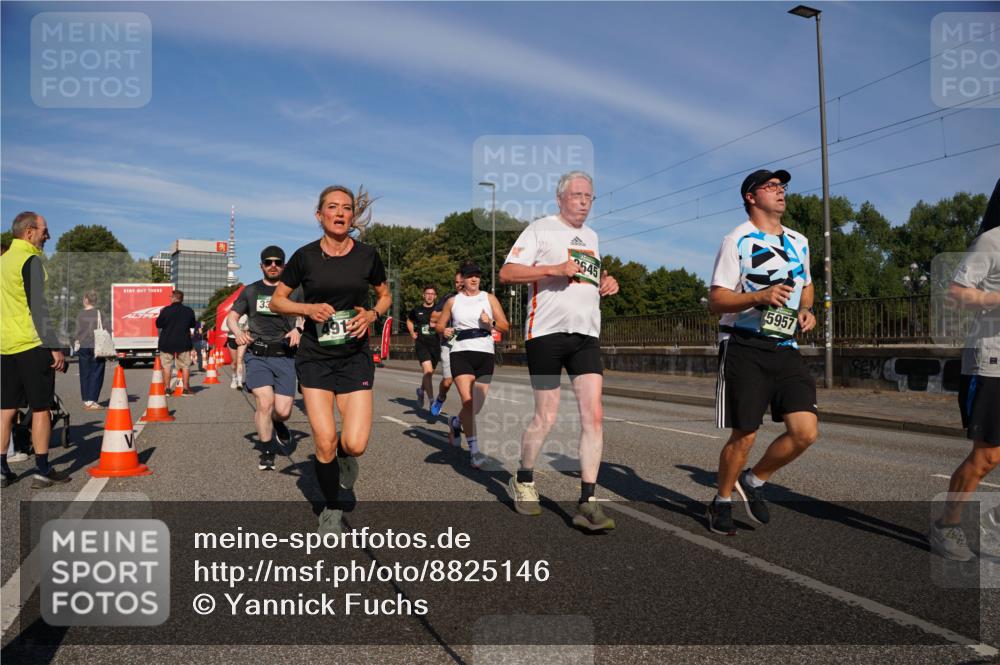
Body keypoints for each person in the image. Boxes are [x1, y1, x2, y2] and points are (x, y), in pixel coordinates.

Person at [499, 171, 620, 532]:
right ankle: (523, 479)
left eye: (589, 197)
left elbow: (586, 280)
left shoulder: (592, 237)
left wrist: (605, 282)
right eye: (578, 195)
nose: (584, 201)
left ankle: (588, 500)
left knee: (593, 416)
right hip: (546, 335)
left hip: (586, 335)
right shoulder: (541, 229)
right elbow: (507, 273)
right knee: (546, 417)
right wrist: (553, 269)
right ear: (560, 198)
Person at [269, 185, 391, 535]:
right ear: (319, 215)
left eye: (347, 208)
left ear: (353, 216)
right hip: (315, 357)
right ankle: (331, 509)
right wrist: (306, 308)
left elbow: (384, 296)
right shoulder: (304, 257)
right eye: (332, 207)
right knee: (324, 439)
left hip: (354, 357)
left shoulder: (367, 256)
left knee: (354, 443)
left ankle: (344, 459)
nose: (340, 213)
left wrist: (371, 314)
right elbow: (278, 301)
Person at [704, 169, 818, 536]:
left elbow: (808, 287)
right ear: (751, 197)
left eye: (782, 186)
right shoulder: (736, 239)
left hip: (785, 347)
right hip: (744, 346)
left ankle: (754, 480)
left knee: (805, 432)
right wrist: (759, 296)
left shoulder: (799, 241)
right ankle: (721, 500)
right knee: (746, 434)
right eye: (771, 186)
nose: (780, 191)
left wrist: (807, 310)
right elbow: (716, 300)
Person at [930, 177, 1000, 561]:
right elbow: (956, 293)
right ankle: (948, 525)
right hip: (992, 361)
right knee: (988, 456)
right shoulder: (992, 241)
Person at [0, 212, 71, 489]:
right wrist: (54, 346)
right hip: (31, 343)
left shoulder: (3, 261)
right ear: (29, 232)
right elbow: (39, 308)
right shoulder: (30, 260)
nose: (47, 236)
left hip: (5, 346)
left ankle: (2, 470)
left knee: (5, 409)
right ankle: (42, 469)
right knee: (41, 408)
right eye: (44, 230)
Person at [227, 245, 303, 471]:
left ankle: (278, 423)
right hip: (258, 355)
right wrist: (238, 332)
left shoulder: (294, 290)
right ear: (261, 265)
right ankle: (267, 450)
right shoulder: (251, 291)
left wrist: (298, 329)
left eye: (278, 262)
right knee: (264, 401)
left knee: (283, 410)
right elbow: (232, 317)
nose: (273, 266)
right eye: (268, 262)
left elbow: (306, 315)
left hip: (285, 356)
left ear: (284, 266)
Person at [435, 262, 509, 469]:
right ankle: (475, 452)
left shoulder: (489, 298)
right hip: (460, 353)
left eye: (477, 275)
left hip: (485, 353)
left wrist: (490, 323)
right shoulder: (453, 301)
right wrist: (444, 331)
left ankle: (456, 423)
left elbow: (505, 325)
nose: (474, 279)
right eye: (470, 276)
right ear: (463, 280)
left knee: (476, 406)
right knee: (468, 402)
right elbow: (440, 324)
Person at [428, 270, 463, 417]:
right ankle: (441, 397)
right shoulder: (449, 298)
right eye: (456, 282)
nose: (459, 285)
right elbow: (434, 317)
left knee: (466, 386)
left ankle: (463, 418)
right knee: (448, 381)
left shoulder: (479, 299)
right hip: (449, 343)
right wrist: (445, 324)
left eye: (461, 282)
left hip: (468, 345)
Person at [155, 289, 197, 395]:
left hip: (166, 343)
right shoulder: (189, 311)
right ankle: (186, 389)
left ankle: (167, 389)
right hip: (183, 342)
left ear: (173, 298)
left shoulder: (165, 310)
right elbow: (193, 325)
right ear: (182, 299)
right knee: (186, 366)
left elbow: (158, 324)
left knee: (167, 366)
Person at [407, 285, 441, 411]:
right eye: (427, 293)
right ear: (423, 295)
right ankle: (432, 401)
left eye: (432, 294)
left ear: (435, 296)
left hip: (435, 346)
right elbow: (409, 321)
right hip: (421, 344)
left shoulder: (439, 310)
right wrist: (412, 333)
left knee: (429, 373)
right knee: (427, 371)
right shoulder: (417, 310)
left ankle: (421, 391)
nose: (430, 296)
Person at [74, 290, 106, 410]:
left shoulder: (80, 314)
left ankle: (86, 399)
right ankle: (93, 400)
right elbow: (107, 329)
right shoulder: (99, 313)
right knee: (97, 372)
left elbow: (76, 331)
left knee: (84, 373)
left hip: (83, 346)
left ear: (86, 300)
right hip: (96, 346)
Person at [228, 314, 249, 390]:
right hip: (232, 339)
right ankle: (234, 379)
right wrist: (233, 329)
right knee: (234, 362)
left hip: (242, 339)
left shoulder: (245, 316)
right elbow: (222, 328)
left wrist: (245, 328)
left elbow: (248, 326)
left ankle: (240, 382)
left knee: (240, 360)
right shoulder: (229, 316)